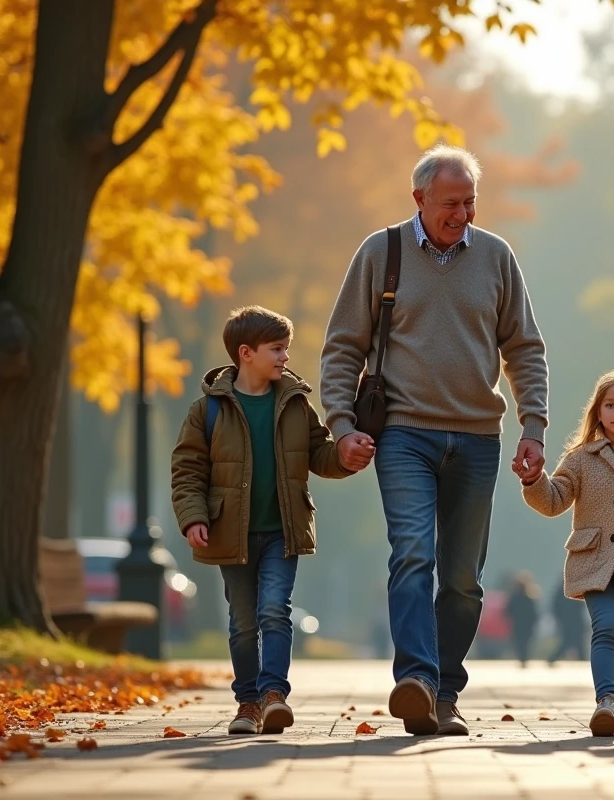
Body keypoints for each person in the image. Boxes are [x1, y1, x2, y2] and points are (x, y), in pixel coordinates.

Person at [320, 144, 549, 736]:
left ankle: (444, 690)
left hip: (478, 437)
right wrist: (342, 427)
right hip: (403, 435)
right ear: (419, 198)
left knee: (464, 579)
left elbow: (524, 349)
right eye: (452, 203)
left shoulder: (497, 256)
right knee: (413, 553)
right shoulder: (382, 252)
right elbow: (343, 347)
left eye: (471, 202)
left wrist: (533, 426)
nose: (463, 214)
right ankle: (417, 679)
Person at [171, 306, 355, 736]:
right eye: (277, 349)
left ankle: (274, 695)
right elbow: (187, 470)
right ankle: (248, 703)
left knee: (275, 611)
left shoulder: (294, 403)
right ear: (246, 353)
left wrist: (347, 456)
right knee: (243, 621)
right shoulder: (208, 411)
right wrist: (193, 518)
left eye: (286, 348)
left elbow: (321, 454)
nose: (285, 357)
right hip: (230, 533)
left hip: (281, 531)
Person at [521, 365, 614, 737]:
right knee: (608, 626)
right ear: (598, 412)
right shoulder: (581, 458)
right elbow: (553, 501)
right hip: (593, 561)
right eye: (610, 405)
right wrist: (534, 480)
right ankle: (606, 701)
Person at [504, 570, 541, 667]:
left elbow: (508, 610)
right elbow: (534, 613)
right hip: (527, 625)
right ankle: (524, 658)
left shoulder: (514, 597)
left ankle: (522, 658)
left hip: (518, 624)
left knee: (519, 642)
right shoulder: (530, 597)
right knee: (525, 642)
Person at [547, 578, 586, 665]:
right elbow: (580, 607)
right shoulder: (575, 592)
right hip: (574, 622)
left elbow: (555, 608)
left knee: (570, 642)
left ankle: (583, 660)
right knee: (574, 642)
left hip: (567, 622)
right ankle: (583, 660)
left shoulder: (559, 593)